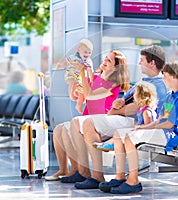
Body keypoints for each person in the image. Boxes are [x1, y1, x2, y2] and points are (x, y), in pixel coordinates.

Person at [69, 45, 168, 189]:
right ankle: (90, 173)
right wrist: (118, 104)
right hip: (124, 117)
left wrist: (116, 111)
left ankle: (97, 175)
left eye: (142, 60)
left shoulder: (159, 85)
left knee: (88, 123)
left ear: (152, 63)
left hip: (136, 121)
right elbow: (128, 101)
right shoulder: (143, 82)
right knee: (81, 123)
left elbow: (141, 106)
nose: (139, 63)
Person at [101, 61, 178, 194]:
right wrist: (144, 128)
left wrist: (146, 129)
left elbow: (169, 124)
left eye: (165, 75)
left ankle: (133, 181)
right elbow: (161, 119)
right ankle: (120, 177)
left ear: (174, 76)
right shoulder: (170, 95)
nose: (163, 78)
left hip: (170, 136)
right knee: (118, 134)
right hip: (162, 131)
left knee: (129, 138)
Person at [45, 50, 130, 181]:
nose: (104, 61)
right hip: (86, 117)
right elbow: (77, 96)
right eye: (105, 58)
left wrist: (83, 74)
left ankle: (81, 170)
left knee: (68, 128)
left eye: (109, 60)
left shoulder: (113, 85)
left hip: (98, 120)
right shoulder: (96, 77)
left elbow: (90, 94)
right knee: (58, 129)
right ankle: (68, 169)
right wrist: (73, 80)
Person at [93, 80, 158, 152]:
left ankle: (110, 145)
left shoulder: (147, 112)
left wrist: (138, 127)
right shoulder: (142, 109)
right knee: (119, 132)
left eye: (135, 94)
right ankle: (107, 144)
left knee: (124, 133)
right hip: (140, 131)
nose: (133, 97)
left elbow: (149, 127)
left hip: (144, 134)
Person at [65, 38, 94, 114]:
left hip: (80, 78)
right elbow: (67, 60)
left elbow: (91, 71)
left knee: (82, 92)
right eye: (85, 52)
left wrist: (91, 80)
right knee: (73, 82)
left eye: (89, 52)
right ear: (78, 50)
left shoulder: (88, 61)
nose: (87, 54)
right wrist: (73, 63)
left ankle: (79, 105)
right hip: (71, 74)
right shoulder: (74, 56)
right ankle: (72, 94)